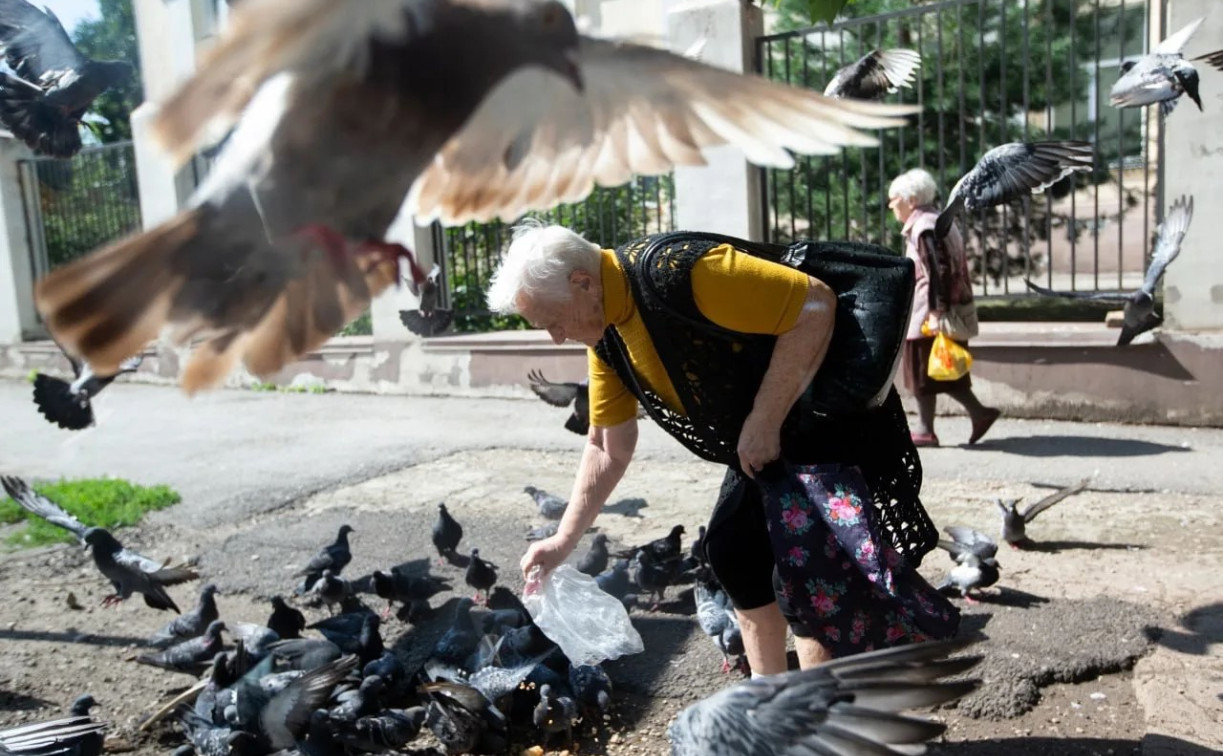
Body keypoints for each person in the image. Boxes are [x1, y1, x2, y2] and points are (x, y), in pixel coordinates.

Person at [486, 218, 959, 676]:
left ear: (584, 282)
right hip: (769, 438)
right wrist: (562, 540)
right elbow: (607, 445)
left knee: (806, 578)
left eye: (552, 320)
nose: (556, 336)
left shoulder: (683, 271)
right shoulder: (607, 332)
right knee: (732, 552)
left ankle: (821, 722)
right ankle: (771, 701)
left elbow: (814, 306)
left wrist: (764, 418)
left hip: (824, 419)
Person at [888, 168, 1001, 448]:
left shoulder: (924, 226)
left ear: (910, 199)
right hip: (941, 309)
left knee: (923, 371)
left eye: (894, 200)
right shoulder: (937, 221)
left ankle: (928, 429)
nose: (891, 206)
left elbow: (937, 269)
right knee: (942, 370)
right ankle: (977, 414)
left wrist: (937, 311)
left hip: (928, 313)